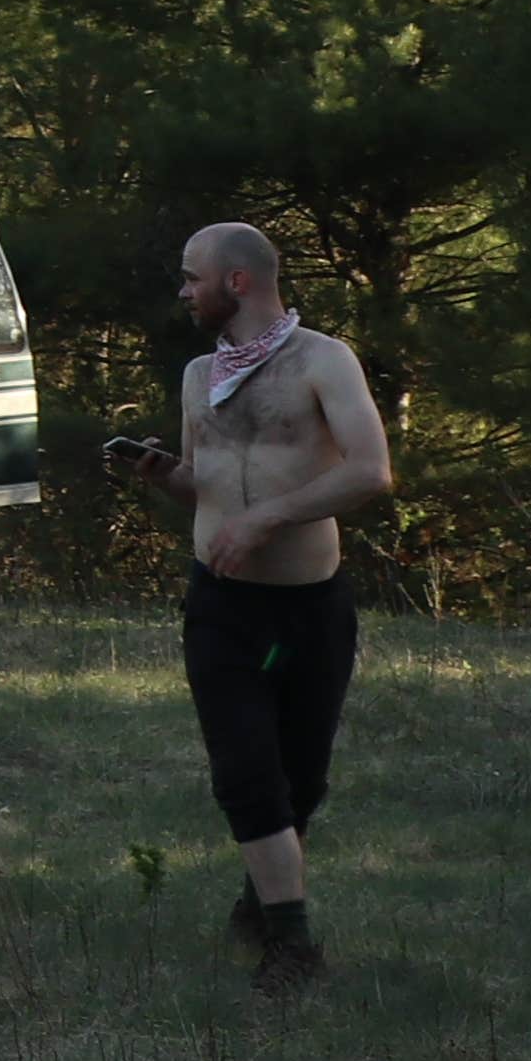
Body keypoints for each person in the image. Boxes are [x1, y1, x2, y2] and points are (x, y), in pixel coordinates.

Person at [104, 223, 395, 991]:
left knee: (301, 778)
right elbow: (206, 480)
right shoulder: (200, 373)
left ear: (236, 281)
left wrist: (267, 518)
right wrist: (163, 474)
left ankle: (260, 899)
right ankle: (293, 945)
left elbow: (370, 472)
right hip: (222, 606)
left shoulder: (323, 361)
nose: (182, 291)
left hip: (308, 609)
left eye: (191, 276)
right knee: (244, 770)